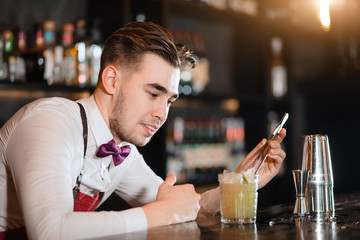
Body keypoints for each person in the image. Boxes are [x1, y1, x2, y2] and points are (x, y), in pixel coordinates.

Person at [0, 21, 286, 239]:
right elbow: (49, 231)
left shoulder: (123, 152)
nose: (163, 114)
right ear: (112, 80)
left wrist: (245, 181)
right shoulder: (50, 122)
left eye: (169, 100)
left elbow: (186, 206)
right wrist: (153, 215)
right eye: (153, 94)